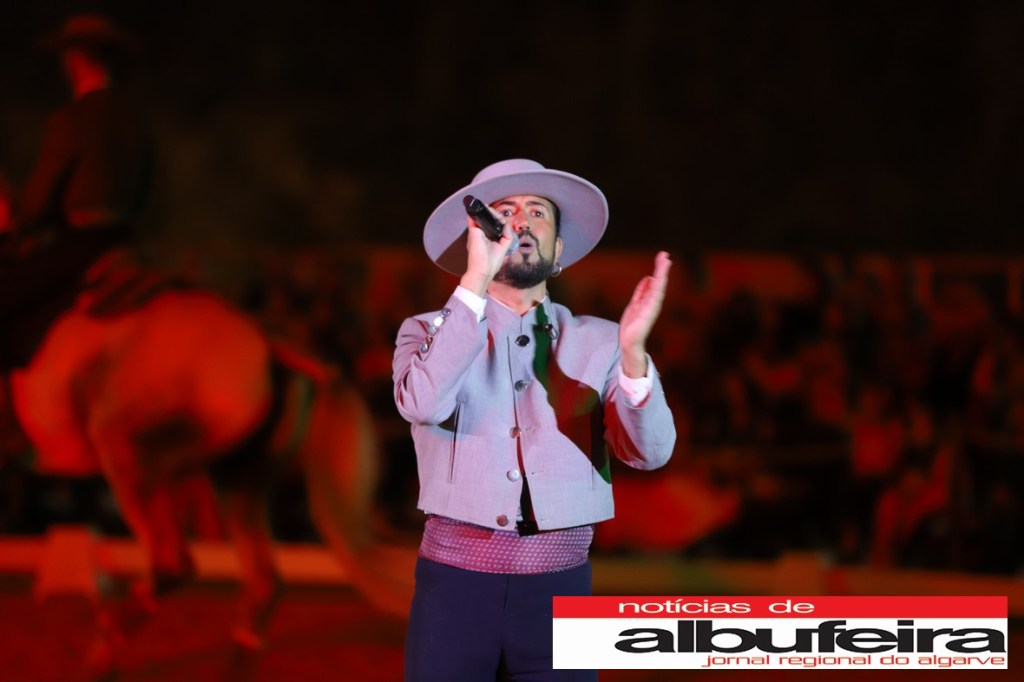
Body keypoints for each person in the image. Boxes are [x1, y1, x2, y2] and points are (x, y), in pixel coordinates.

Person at [393, 158, 676, 681]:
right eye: (505, 211)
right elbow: (422, 405)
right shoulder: (425, 330)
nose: (521, 221)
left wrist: (634, 354)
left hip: (560, 594)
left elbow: (650, 453)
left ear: (559, 250)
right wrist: (474, 281)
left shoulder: (604, 341)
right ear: (478, 237)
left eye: (538, 212)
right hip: (453, 593)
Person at [0, 14, 153, 369]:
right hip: (124, 240)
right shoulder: (137, 124)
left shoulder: (69, 120)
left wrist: (16, 226)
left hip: (79, 245)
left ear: (76, 60)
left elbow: (37, 205)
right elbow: (143, 192)